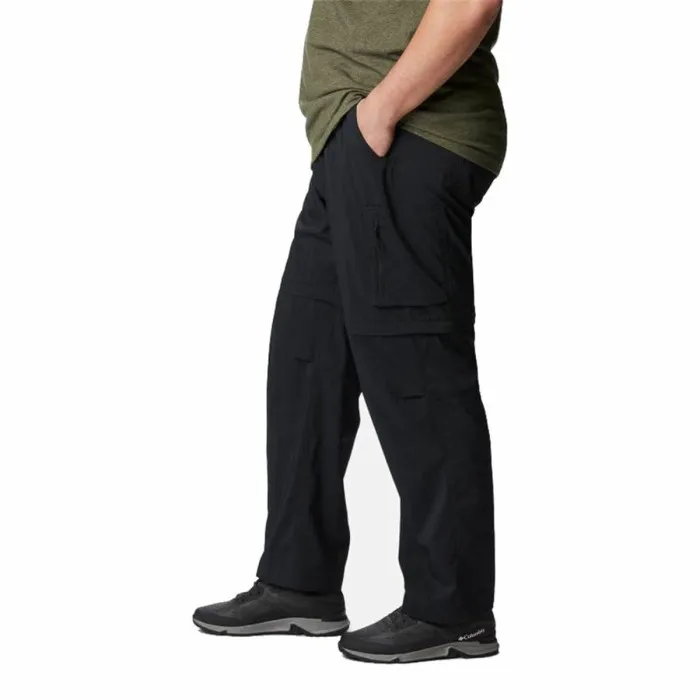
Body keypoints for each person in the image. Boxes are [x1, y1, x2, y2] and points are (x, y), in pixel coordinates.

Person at [193, 0, 506, 664]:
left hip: (410, 132)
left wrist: (381, 112)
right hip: (355, 139)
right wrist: (358, 127)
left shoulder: (390, 121)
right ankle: (298, 582)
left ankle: (453, 611)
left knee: (417, 377)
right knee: (308, 362)